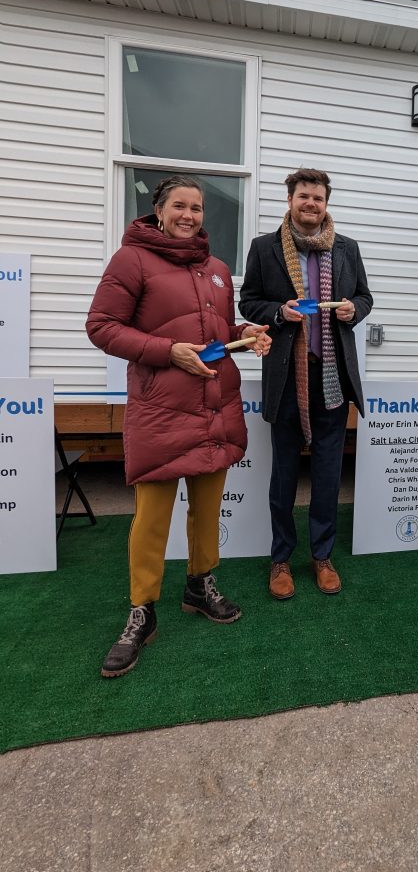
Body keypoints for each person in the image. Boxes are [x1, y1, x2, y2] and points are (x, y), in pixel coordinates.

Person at [86, 175, 271, 677]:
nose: (190, 215)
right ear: (159, 210)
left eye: (197, 208)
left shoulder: (217, 270)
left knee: (207, 510)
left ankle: (199, 584)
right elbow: (101, 326)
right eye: (180, 206)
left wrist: (244, 333)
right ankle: (141, 611)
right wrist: (168, 352)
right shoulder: (132, 259)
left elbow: (216, 332)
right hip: (161, 411)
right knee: (151, 520)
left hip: (216, 405)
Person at [239, 168, 373, 600]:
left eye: (317, 197)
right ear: (291, 200)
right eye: (303, 197)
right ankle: (280, 559)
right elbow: (249, 301)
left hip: (332, 376)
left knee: (329, 473)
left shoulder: (348, 249)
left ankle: (322, 556)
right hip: (286, 374)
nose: (310, 204)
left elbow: (366, 297)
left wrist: (355, 310)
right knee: (283, 474)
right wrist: (280, 312)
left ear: (326, 202)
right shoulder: (265, 248)